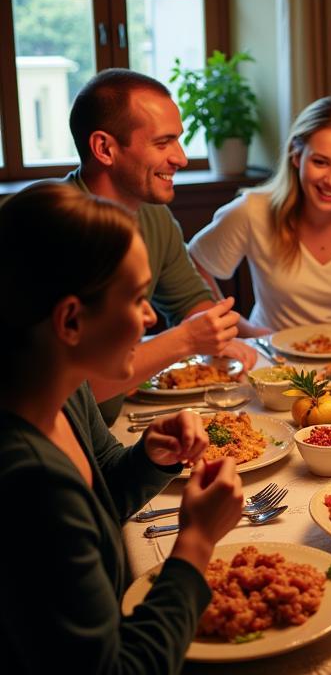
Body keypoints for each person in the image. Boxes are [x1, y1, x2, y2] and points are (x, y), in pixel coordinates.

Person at [0, 182, 245, 675]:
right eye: (136, 299)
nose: (149, 318)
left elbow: (101, 492)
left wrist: (150, 460)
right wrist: (194, 544)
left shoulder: (60, 387)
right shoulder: (25, 481)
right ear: (71, 319)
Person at [67, 68, 257, 422]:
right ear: (104, 148)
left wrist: (214, 330)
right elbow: (74, 386)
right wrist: (186, 340)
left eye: (178, 140)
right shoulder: (54, 227)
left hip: (115, 423)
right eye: (162, 142)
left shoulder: (154, 217)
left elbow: (190, 302)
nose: (181, 159)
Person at [188, 95, 331, 332]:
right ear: (296, 156)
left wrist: (321, 342)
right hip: (271, 358)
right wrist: (248, 332)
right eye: (320, 162)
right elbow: (192, 268)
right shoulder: (251, 210)